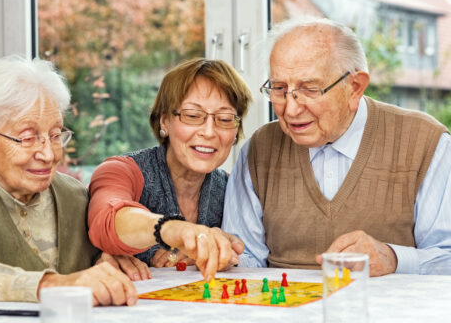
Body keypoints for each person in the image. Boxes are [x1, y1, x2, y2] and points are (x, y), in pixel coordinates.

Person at [222, 17, 451, 277]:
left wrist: (394, 258)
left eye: (309, 89)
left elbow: (447, 255)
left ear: (354, 88)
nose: (291, 108)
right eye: (279, 88)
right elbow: (244, 260)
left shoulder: (425, 142)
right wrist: (226, 256)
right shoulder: (258, 149)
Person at [0, 55, 143, 313]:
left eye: (55, 135)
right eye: (27, 138)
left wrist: (111, 265)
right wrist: (55, 284)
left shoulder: (75, 195)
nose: (48, 154)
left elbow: (97, 264)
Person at [88, 58, 252, 281]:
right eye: (193, 116)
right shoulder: (120, 171)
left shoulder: (233, 188)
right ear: (164, 120)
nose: (210, 132)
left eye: (225, 119)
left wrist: (227, 255)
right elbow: (106, 220)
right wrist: (175, 231)